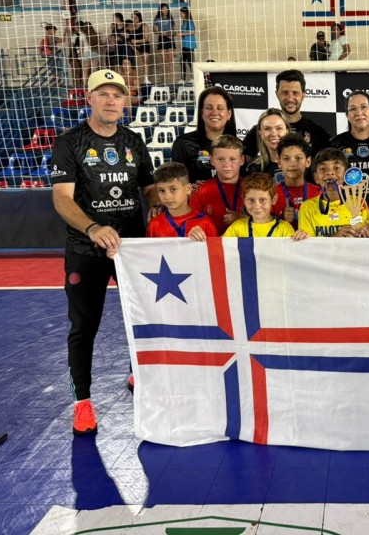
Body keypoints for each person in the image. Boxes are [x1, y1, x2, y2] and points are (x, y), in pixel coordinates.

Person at [50, 69, 156, 435]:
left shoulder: (133, 140)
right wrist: (93, 228)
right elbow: (62, 199)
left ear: (126, 101)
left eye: (117, 95)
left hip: (131, 249)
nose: (111, 101)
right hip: (87, 249)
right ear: (90, 98)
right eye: (104, 94)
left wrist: (166, 210)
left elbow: (149, 189)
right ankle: (82, 401)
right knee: (84, 326)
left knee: (141, 317)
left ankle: (138, 373)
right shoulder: (70, 142)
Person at [242, 70, 332, 160]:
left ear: (303, 96)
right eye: (285, 93)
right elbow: (243, 162)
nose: (290, 98)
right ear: (277, 94)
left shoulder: (318, 133)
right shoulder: (260, 131)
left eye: (295, 93)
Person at [331, 90, 369, 199]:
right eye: (353, 109)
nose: (359, 113)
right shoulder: (334, 145)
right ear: (347, 115)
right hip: (348, 205)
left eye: (363, 107)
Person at [298, 148, 369, 238]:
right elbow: (307, 245)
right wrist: (335, 237)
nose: (330, 172)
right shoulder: (307, 208)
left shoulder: (359, 203)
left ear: (346, 175)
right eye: (323, 169)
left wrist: (366, 234)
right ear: (316, 177)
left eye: (336, 168)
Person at [171, 86, 236, 185]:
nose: (214, 112)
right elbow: (175, 184)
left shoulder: (238, 146)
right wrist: (192, 188)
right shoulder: (183, 144)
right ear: (202, 112)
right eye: (209, 108)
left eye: (220, 108)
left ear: (229, 114)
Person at [144, 162, 218, 241]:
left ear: (188, 189)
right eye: (162, 190)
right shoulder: (155, 224)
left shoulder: (205, 222)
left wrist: (202, 241)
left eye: (173, 189)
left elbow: (215, 248)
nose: (167, 197)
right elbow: (149, 248)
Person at [223, 173, 307, 240]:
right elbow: (220, 248)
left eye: (262, 200)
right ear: (244, 200)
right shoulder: (237, 228)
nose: (257, 206)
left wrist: (303, 240)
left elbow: (294, 253)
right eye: (251, 200)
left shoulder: (284, 229)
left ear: (273, 199)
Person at [190, 135, 246, 234]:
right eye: (220, 159)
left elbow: (265, 220)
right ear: (212, 160)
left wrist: (242, 218)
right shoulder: (202, 190)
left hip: (244, 242)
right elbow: (191, 221)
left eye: (232, 159)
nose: (226, 164)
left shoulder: (252, 188)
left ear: (242, 160)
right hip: (211, 242)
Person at [274, 134, 321, 228]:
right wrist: (281, 218)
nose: (292, 164)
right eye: (286, 159)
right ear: (279, 162)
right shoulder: (272, 194)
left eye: (298, 158)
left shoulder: (319, 193)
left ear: (308, 162)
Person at [247, 108, 289, 183]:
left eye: (279, 128)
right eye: (267, 129)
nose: (273, 134)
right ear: (260, 134)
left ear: (287, 131)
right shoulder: (254, 169)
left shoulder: (301, 165)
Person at [153, 3, 176, 84]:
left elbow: (175, 31)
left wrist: (171, 34)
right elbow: (154, 30)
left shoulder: (170, 18)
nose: (165, 10)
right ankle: (165, 80)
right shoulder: (157, 19)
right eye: (163, 9)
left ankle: (172, 80)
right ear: (160, 10)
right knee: (163, 61)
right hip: (162, 39)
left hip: (170, 39)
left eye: (166, 9)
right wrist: (161, 32)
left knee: (170, 60)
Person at [128, 11, 151, 84]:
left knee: (145, 60)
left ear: (139, 18)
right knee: (137, 63)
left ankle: (146, 79)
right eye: (132, 18)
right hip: (135, 47)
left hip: (144, 45)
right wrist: (134, 49)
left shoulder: (144, 25)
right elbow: (128, 40)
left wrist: (137, 41)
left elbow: (147, 38)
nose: (134, 19)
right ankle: (137, 79)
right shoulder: (131, 27)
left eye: (135, 18)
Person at [179, 7, 197, 83]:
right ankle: (183, 79)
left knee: (190, 61)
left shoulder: (190, 21)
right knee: (182, 61)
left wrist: (182, 34)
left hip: (189, 44)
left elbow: (192, 32)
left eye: (181, 13)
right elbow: (184, 32)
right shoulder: (184, 22)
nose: (180, 15)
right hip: (185, 44)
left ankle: (193, 77)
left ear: (185, 13)